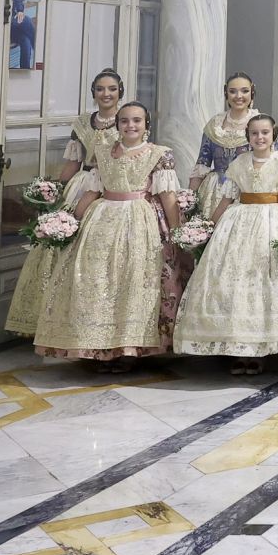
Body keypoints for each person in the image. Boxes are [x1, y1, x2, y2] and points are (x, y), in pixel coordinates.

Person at [35, 102, 183, 370]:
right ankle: (99, 347)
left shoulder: (159, 154)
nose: (130, 125)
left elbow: (168, 196)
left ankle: (129, 349)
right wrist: (69, 222)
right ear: (117, 125)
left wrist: (176, 233)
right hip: (101, 222)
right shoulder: (103, 152)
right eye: (124, 121)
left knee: (133, 283)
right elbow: (92, 191)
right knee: (98, 282)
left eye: (137, 120)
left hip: (140, 223)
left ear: (146, 125)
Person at [174, 113, 278, 374]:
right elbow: (226, 199)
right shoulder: (239, 163)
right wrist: (208, 228)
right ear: (248, 137)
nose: (260, 137)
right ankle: (238, 346)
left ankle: (261, 349)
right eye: (254, 133)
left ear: (273, 135)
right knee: (236, 282)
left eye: (265, 133)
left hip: (272, 224)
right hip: (239, 223)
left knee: (264, 282)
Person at [6, 68, 123, 339]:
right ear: (93, 92)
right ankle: (51, 318)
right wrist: (55, 193)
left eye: (112, 89)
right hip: (81, 185)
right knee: (60, 242)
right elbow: (73, 162)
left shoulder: (127, 120)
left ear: (120, 92)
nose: (106, 94)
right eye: (100, 89)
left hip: (113, 188)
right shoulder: (83, 123)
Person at [189, 73, 260, 201]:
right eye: (233, 91)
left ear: (252, 93)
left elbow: (271, 163)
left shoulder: (261, 124)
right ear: (226, 93)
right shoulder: (214, 125)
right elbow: (202, 164)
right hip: (215, 192)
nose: (238, 96)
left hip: (247, 189)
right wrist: (190, 200)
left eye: (244, 91)